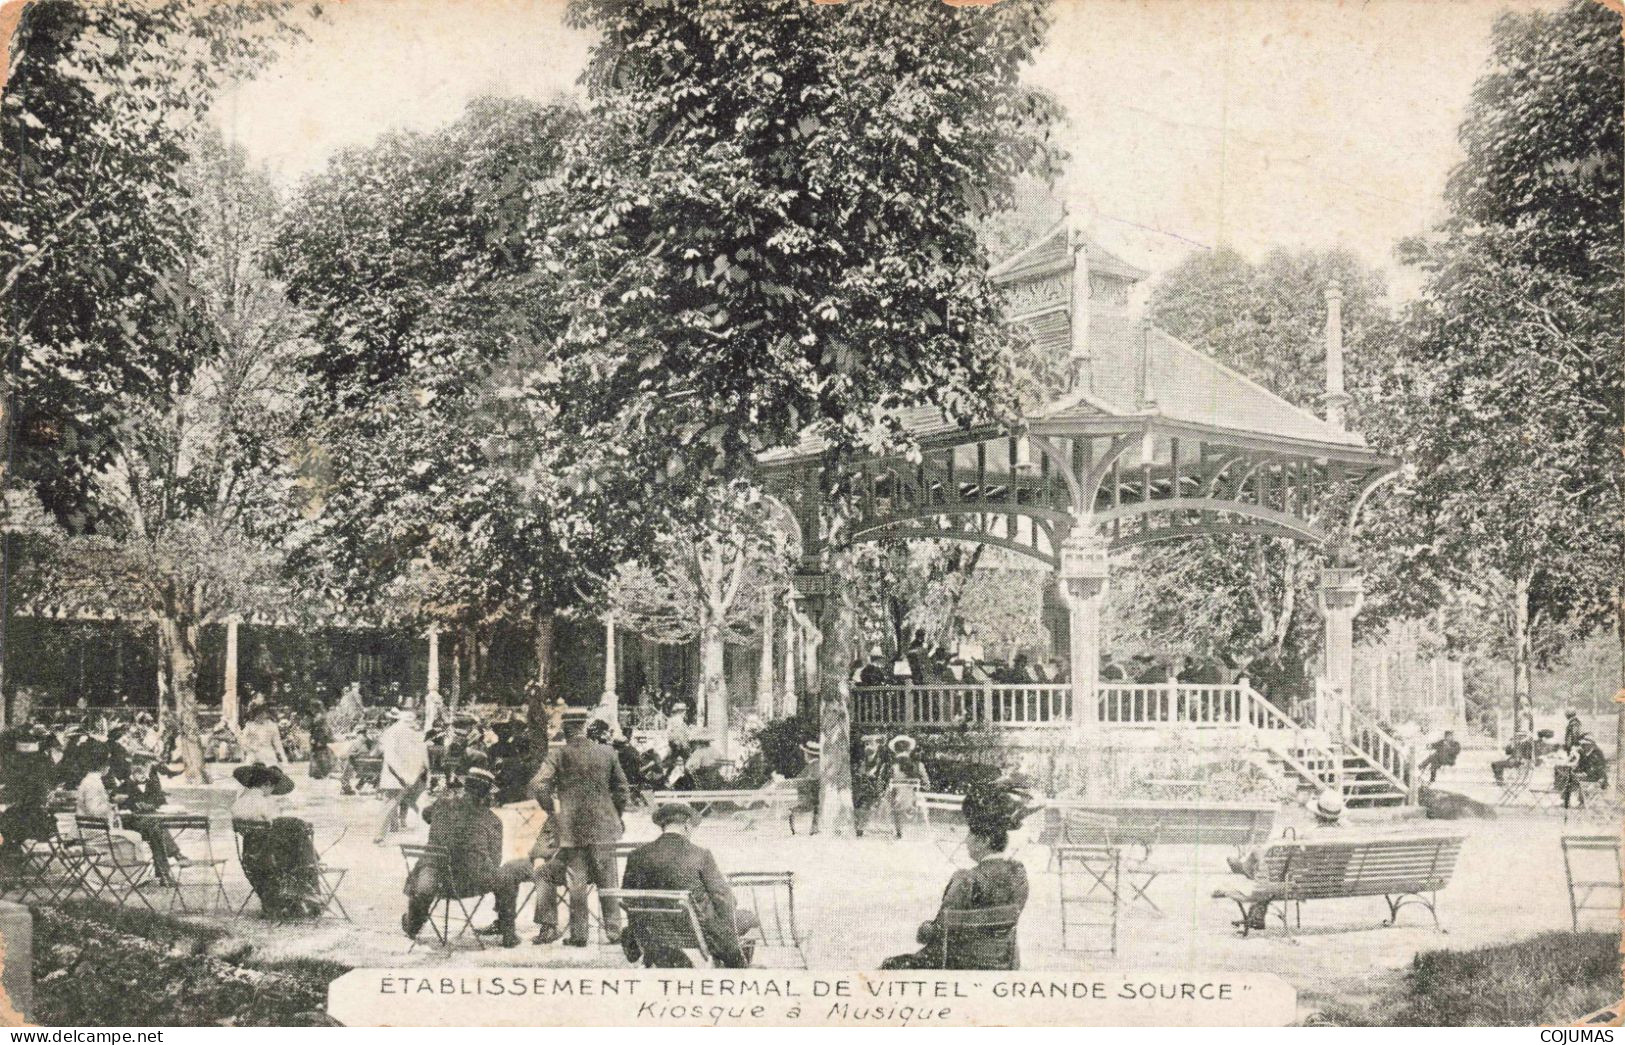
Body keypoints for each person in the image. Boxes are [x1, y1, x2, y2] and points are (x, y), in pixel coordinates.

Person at [880, 779, 1034, 969]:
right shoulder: (1018, 873)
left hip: (957, 965)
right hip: (1002, 963)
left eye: (970, 835)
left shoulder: (966, 879)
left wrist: (925, 929)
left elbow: (939, 932)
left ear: (984, 840)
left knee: (889, 967)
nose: (966, 840)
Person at [529, 710, 628, 947]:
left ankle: (580, 935)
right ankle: (614, 932)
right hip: (605, 827)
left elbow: (538, 784)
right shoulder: (607, 752)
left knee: (577, 881)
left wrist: (552, 812)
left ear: (565, 730)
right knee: (608, 879)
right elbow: (622, 790)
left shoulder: (559, 754)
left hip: (572, 828)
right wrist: (615, 813)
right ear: (584, 727)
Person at [619, 801, 758, 968]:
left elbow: (628, 898)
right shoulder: (700, 855)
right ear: (686, 825)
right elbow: (723, 898)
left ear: (663, 826)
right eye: (692, 827)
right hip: (696, 932)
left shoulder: (637, 855)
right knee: (750, 918)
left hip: (653, 932)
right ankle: (737, 966)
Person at [404, 767, 530, 947]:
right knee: (507, 878)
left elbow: (426, 814)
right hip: (469, 883)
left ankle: (412, 924)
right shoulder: (492, 820)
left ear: (466, 787)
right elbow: (495, 860)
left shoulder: (441, 805)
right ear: (486, 794)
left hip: (437, 881)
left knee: (426, 874)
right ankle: (508, 934)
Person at [1221, 789, 1343, 931]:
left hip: (1303, 884)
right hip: (1335, 883)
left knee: (1263, 860)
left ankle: (1243, 868)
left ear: (1317, 814)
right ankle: (1244, 869)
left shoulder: (1310, 835)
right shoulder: (1347, 835)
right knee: (1271, 868)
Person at [231, 763, 322, 918]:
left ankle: (289, 900)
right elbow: (276, 824)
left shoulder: (238, 803)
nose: (272, 792)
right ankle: (311, 882)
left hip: (250, 855)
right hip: (271, 856)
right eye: (272, 788)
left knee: (294, 835)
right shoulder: (264, 803)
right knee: (299, 837)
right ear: (266, 784)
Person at [0, 735, 57, 864]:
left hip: (30, 822)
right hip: (41, 822)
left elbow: (19, 795)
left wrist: (7, 805)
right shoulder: (41, 768)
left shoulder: (26, 772)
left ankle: (11, 860)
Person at [374, 709, 429, 844]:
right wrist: (404, 775)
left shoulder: (410, 732)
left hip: (412, 776)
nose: (412, 720)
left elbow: (420, 752)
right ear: (402, 718)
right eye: (409, 717)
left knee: (420, 804)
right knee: (390, 805)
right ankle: (379, 836)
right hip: (398, 777)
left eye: (413, 717)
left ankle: (427, 834)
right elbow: (391, 757)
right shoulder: (394, 732)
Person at [886, 735, 930, 839]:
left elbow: (888, 786)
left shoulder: (891, 767)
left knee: (891, 797)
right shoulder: (919, 765)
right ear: (909, 750)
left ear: (895, 751)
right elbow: (927, 785)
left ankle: (899, 832)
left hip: (897, 804)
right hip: (914, 803)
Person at [1560, 734, 1609, 808]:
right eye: (1582, 745)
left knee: (1572, 779)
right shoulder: (1587, 753)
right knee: (1571, 778)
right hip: (1591, 776)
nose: (1582, 747)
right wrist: (1576, 771)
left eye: (1584, 745)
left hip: (1598, 778)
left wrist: (1581, 774)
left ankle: (1574, 802)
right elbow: (1582, 766)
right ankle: (1569, 801)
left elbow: (1595, 769)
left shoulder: (1596, 753)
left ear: (1590, 744)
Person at [790, 740, 820, 835]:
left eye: (805, 754)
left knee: (790, 808)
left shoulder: (811, 767)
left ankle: (797, 830)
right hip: (817, 800)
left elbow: (797, 782)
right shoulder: (821, 766)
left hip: (810, 801)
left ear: (808, 755)